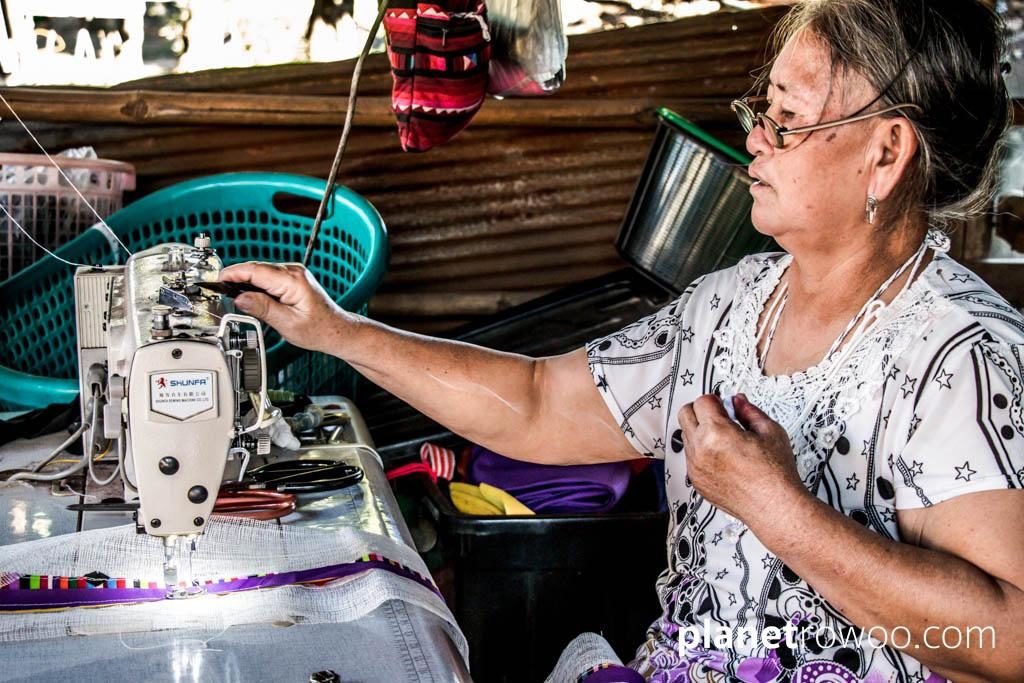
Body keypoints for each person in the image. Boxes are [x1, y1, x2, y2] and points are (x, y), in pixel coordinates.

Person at [221, 0, 1024, 680]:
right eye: (763, 112)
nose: (755, 137)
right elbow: (538, 404)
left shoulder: (958, 353)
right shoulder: (732, 306)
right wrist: (335, 329)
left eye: (786, 119)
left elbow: (1009, 637)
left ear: (885, 152)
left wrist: (783, 512)